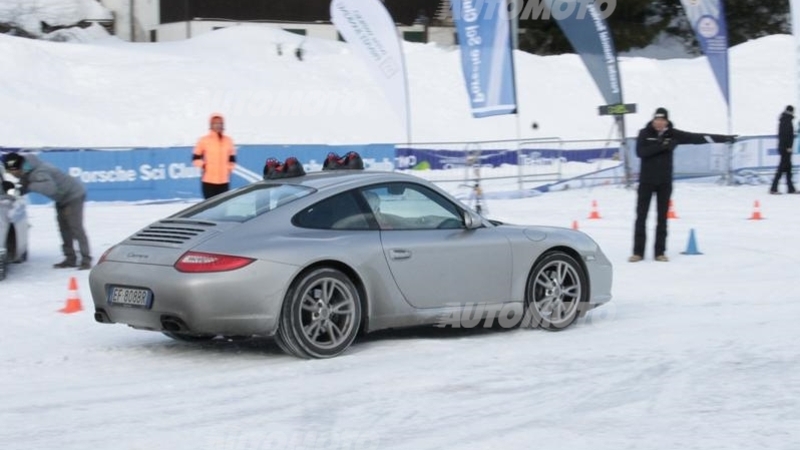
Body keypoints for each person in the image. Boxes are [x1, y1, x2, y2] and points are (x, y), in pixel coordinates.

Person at [630, 107, 735, 263]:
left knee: (662, 218)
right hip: (646, 182)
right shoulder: (644, 133)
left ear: (666, 121)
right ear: (653, 120)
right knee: (641, 217)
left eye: (662, 120)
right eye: (656, 120)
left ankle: (660, 252)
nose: (659, 123)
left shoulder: (673, 134)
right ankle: (638, 252)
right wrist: (664, 146)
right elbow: (641, 152)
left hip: (664, 182)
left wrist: (724, 138)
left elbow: (696, 138)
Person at [2, 152, 92, 269]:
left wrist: (29, 187)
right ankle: (70, 259)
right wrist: (10, 193)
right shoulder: (26, 170)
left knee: (75, 228)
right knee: (64, 229)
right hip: (61, 198)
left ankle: (86, 260)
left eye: (11, 172)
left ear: (16, 168)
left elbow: (50, 188)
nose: (11, 175)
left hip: (73, 196)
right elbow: (22, 187)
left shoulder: (39, 172)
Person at [192, 113, 236, 199]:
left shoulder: (228, 141)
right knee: (209, 208)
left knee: (223, 207)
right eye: (215, 123)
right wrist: (204, 166)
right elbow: (195, 158)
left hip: (224, 181)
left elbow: (232, 159)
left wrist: (228, 169)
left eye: (220, 123)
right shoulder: (203, 140)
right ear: (211, 125)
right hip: (208, 181)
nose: (218, 126)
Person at [769, 105, 796, 194]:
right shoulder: (786, 121)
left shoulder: (785, 120)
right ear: (790, 111)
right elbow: (785, 135)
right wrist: (788, 146)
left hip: (785, 148)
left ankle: (790, 188)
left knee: (788, 169)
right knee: (782, 169)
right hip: (785, 149)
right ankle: (773, 188)